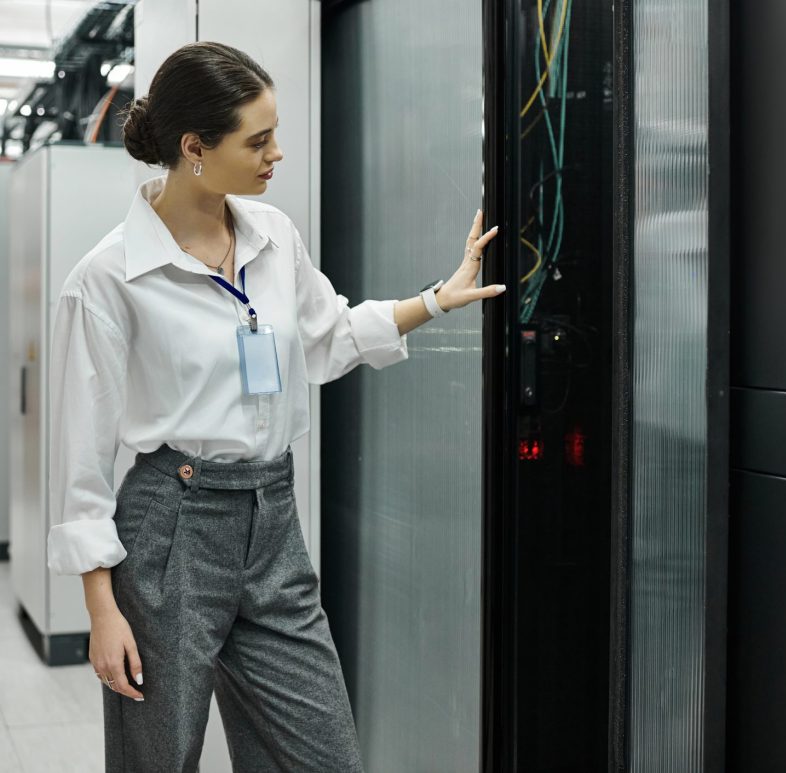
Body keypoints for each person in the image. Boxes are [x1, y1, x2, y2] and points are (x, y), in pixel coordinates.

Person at [44, 41, 503, 772]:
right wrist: (103, 610)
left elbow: (327, 339)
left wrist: (434, 300)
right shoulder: (107, 278)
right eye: (258, 140)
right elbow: (81, 459)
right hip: (171, 527)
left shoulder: (274, 239)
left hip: (273, 521)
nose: (277, 154)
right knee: (157, 759)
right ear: (195, 148)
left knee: (324, 757)